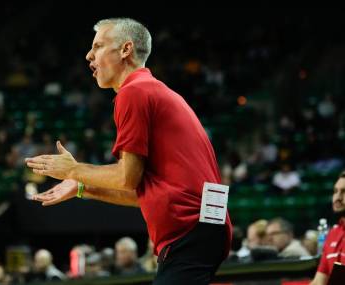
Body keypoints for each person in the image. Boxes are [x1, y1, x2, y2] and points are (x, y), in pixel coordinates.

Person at [26, 18, 232, 284]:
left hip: (188, 228)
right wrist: (82, 187)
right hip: (204, 226)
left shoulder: (133, 92)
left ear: (125, 49)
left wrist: (75, 170)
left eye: (98, 46)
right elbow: (143, 193)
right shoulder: (155, 91)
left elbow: (127, 178)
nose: (89, 55)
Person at [311, 171, 345, 285]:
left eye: (344, 192)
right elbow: (318, 281)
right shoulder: (333, 233)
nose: (338, 197)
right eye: (335, 191)